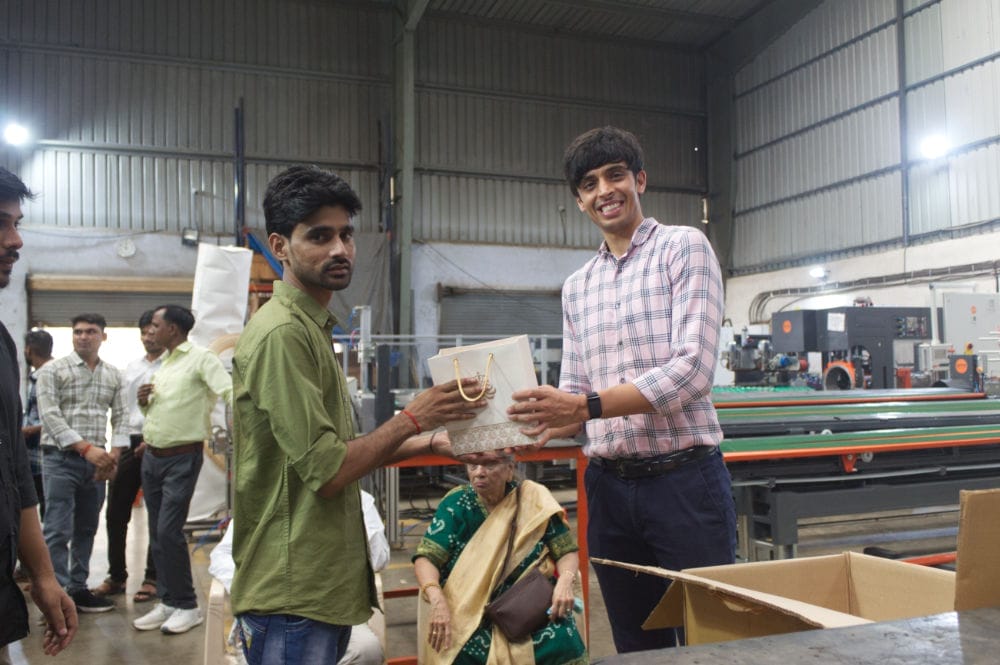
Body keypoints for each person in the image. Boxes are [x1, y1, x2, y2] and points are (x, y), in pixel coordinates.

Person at [231, 165, 486, 665]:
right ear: (279, 246)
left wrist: (428, 443)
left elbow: (333, 453)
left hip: (313, 584)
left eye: (346, 235)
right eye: (319, 236)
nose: (339, 250)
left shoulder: (311, 328)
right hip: (292, 590)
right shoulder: (283, 334)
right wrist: (415, 416)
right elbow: (329, 472)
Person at [508, 126, 737, 653]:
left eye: (615, 176)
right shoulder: (577, 287)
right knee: (637, 642)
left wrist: (584, 407)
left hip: (684, 482)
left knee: (714, 640)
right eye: (589, 184)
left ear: (640, 180)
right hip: (609, 490)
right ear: (579, 201)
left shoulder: (683, 248)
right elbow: (574, 388)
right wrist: (531, 421)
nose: (604, 190)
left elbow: (693, 369)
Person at [0, 166, 76, 659]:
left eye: (16, 223)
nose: (16, 240)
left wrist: (44, 576)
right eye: (2, 223)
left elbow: (13, 475)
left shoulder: (3, 345)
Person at [412, 451, 587, 665]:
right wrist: (437, 598)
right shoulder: (456, 504)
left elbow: (566, 550)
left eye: (489, 465)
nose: (479, 473)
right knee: (459, 651)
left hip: (531, 607)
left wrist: (565, 581)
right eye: (472, 465)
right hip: (470, 613)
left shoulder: (533, 499)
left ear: (510, 470)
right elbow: (426, 559)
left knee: (562, 640)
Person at [132, 304, 232, 635]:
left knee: (169, 532)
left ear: (172, 329)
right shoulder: (166, 364)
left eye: (155, 325)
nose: (150, 331)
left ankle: (188, 606)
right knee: (158, 535)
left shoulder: (202, 358)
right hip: (153, 457)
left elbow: (230, 392)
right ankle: (169, 601)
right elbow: (164, 411)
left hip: (181, 459)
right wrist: (145, 402)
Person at [209, 489, 390, 665]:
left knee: (366, 650)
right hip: (271, 613)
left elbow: (380, 556)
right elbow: (221, 555)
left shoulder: (358, 498)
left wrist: (354, 520)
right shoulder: (266, 498)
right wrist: (255, 589)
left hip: (335, 611)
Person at [36, 312, 128, 614]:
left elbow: (122, 416)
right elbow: (50, 416)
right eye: (77, 332)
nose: (83, 337)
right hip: (60, 459)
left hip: (97, 464)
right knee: (57, 530)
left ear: (103, 336)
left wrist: (113, 454)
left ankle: (77, 589)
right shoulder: (53, 371)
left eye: (90, 331)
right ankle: (58, 595)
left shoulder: (114, 374)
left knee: (86, 528)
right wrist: (85, 448)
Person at [92, 310, 162, 603]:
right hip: (129, 443)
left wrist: (153, 438)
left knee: (157, 516)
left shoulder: (173, 367)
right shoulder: (130, 369)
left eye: (153, 331)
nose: (148, 337)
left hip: (159, 444)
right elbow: (120, 413)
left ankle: (152, 578)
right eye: (143, 332)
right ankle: (117, 576)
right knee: (116, 513)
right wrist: (117, 449)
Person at [23, 328, 54, 520]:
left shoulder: (48, 375)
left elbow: (58, 417)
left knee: (47, 513)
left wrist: (27, 430)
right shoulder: (36, 376)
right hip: (34, 457)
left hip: (45, 457)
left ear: (28, 350)